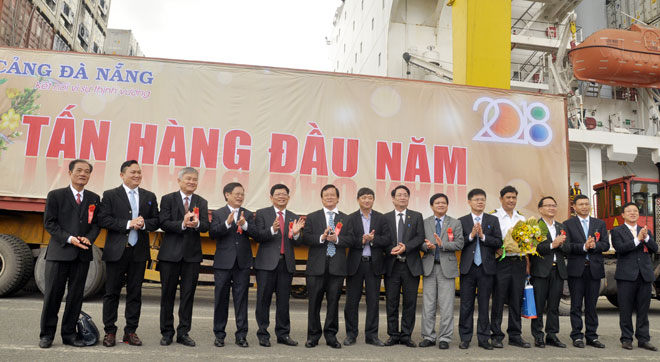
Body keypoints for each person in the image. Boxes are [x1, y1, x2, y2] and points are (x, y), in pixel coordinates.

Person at [39, 159, 101, 349]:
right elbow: (50, 223)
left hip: (82, 255)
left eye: (87, 171)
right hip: (60, 253)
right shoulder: (56, 195)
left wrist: (89, 238)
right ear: (70, 173)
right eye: (79, 170)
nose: (83, 174)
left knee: (75, 297)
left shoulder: (94, 198)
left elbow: (96, 224)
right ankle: (47, 335)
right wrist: (69, 238)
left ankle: (69, 335)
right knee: (53, 296)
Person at [99, 160, 159, 347]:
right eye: (133, 172)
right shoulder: (110, 195)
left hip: (139, 252)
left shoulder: (149, 195)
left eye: (139, 173)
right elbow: (103, 219)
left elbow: (156, 220)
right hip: (117, 251)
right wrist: (128, 224)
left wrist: (144, 224)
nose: (137, 176)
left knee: (135, 293)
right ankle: (109, 331)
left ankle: (130, 331)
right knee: (111, 293)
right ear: (122, 174)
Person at [157, 167, 209, 347]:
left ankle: (183, 332)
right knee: (167, 295)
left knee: (188, 296)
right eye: (188, 179)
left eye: (195, 179)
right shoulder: (168, 199)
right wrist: (182, 224)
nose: (191, 182)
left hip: (192, 257)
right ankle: (167, 332)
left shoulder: (201, 201)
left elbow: (206, 226)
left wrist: (197, 223)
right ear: (179, 180)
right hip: (170, 256)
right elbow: (163, 223)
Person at [253, 184, 305, 347]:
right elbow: (258, 236)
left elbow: (299, 242)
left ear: (289, 198)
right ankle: (263, 334)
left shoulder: (293, 216)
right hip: (266, 264)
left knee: (284, 302)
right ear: (271, 197)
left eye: (285, 194)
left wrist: (296, 234)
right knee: (263, 300)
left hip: (286, 264)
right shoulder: (262, 214)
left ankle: (283, 334)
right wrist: (272, 229)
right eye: (278, 194)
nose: (282, 197)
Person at [302, 184, 353, 349]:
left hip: (337, 268)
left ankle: (331, 336)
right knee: (314, 304)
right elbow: (306, 238)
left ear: (338, 198)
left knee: (333, 303)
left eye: (332, 195)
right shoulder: (312, 217)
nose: (329, 197)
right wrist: (321, 237)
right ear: (322, 198)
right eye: (326, 195)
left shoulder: (346, 218)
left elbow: (352, 240)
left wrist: (336, 240)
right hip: (316, 268)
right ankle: (313, 336)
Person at [343, 187, 390, 347]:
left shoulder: (381, 218)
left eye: (370, 197)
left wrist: (373, 239)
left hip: (373, 264)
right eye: (364, 198)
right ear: (358, 200)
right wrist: (362, 241)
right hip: (355, 264)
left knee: (373, 301)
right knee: (351, 302)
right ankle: (351, 334)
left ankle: (372, 336)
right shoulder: (350, 218)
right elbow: (347, 240)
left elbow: (387, 239)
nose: (367, 200)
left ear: (373, 200)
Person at [210, 182, 253, 348]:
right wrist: (227, 224)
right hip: (223, 263)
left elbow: (256, 234)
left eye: (242, 194)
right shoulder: (219, 213)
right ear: (227, 195)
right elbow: (213, 233)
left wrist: (245, 225)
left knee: (241, 300)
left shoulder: (247, 214)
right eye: (237, 193)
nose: (240, 197)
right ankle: (219, 335)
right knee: (221, 299)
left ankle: (241, 335)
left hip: (242, 263)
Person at [458, 188, 503, 350]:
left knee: (484, 305)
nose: (480, 202)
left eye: (482, 199)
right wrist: (471, 236)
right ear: (469, 202)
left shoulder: (493, 220)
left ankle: (484, 338)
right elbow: (458, 243)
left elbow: (499, 242)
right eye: (476, 199)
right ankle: (465, 338)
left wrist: (483, 236)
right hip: (468, 268)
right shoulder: (462, 221)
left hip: (486, 268)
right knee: (466, 305)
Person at [562, 194, 608, 348]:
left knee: (591, 305)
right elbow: (566, 247)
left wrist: (595, 246)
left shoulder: (599, 223)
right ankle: (577, 336)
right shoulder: (567, 224)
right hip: (576, 270)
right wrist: (583, 247)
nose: (584, 207)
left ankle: (592, 336)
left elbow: (606, 245)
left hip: (594, 270)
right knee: (576, 305)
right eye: (581, 204)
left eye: (587, 204)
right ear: (574, 207)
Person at [419, 193, 464, 349]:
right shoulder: (424, 223)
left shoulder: (455, 223)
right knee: (428, 304)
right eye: (437, 203)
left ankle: (445, 338)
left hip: (447, 268)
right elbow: (419, 243)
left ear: (447, 205)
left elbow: (460, 243)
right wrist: (427, 246)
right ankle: (428, 336)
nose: (440, 205)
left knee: (446, 305)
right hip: (429, 267)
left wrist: (442, 244)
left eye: (443, 203)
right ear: (431, 206)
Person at [612, 202, 658, 351]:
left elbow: (655, 248)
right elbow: (620, 248)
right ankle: (626, 339)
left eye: (635, 211)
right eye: (629, 211)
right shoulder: (617, 231)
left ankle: (644, 339)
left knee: (643, 310)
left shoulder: (645, 230)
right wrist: (637, 239)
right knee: (625, 309)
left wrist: (646, 238)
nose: (633, 213)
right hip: (626, 276)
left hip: (644, 275)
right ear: (623, 215)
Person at [383, 185, 424, 348]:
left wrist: (406, 247)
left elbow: (420, 237)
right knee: (391, 302)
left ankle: (406, 335)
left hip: (410, 266)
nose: (402, 197)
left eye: (405, 195)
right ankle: (393, 334)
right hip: (392, 266)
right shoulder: (385, 218)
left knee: (410, 302)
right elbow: (382, 239)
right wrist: (390, 248)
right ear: (393, 198)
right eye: (399, 195)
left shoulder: (416, 216)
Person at [490, 186, 530, 348]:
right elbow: (490, 240)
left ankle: (515, 335)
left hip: (518, 262)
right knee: (499, 299)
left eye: (514, 197)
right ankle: (496, 335)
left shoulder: (522, 218)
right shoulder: (493, 217)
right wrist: (497, 248)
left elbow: (527, 242)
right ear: (501, 199)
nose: (511, 200)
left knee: (516, 299)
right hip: (501, 262)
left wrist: (527, 263)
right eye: (508, 197)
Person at [531, 196, 567, 349]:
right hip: (540, 271)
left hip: (557, 270)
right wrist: (553, 245)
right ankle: (538, 336)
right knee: (539, 306)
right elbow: (534, 248)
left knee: (554, 306)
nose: (551, 208)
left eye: (554, 205)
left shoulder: (560, 226)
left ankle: (552, 334)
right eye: (548, 205)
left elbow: (567, 248)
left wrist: (562, 245)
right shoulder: (535, 226)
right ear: (540, 209)